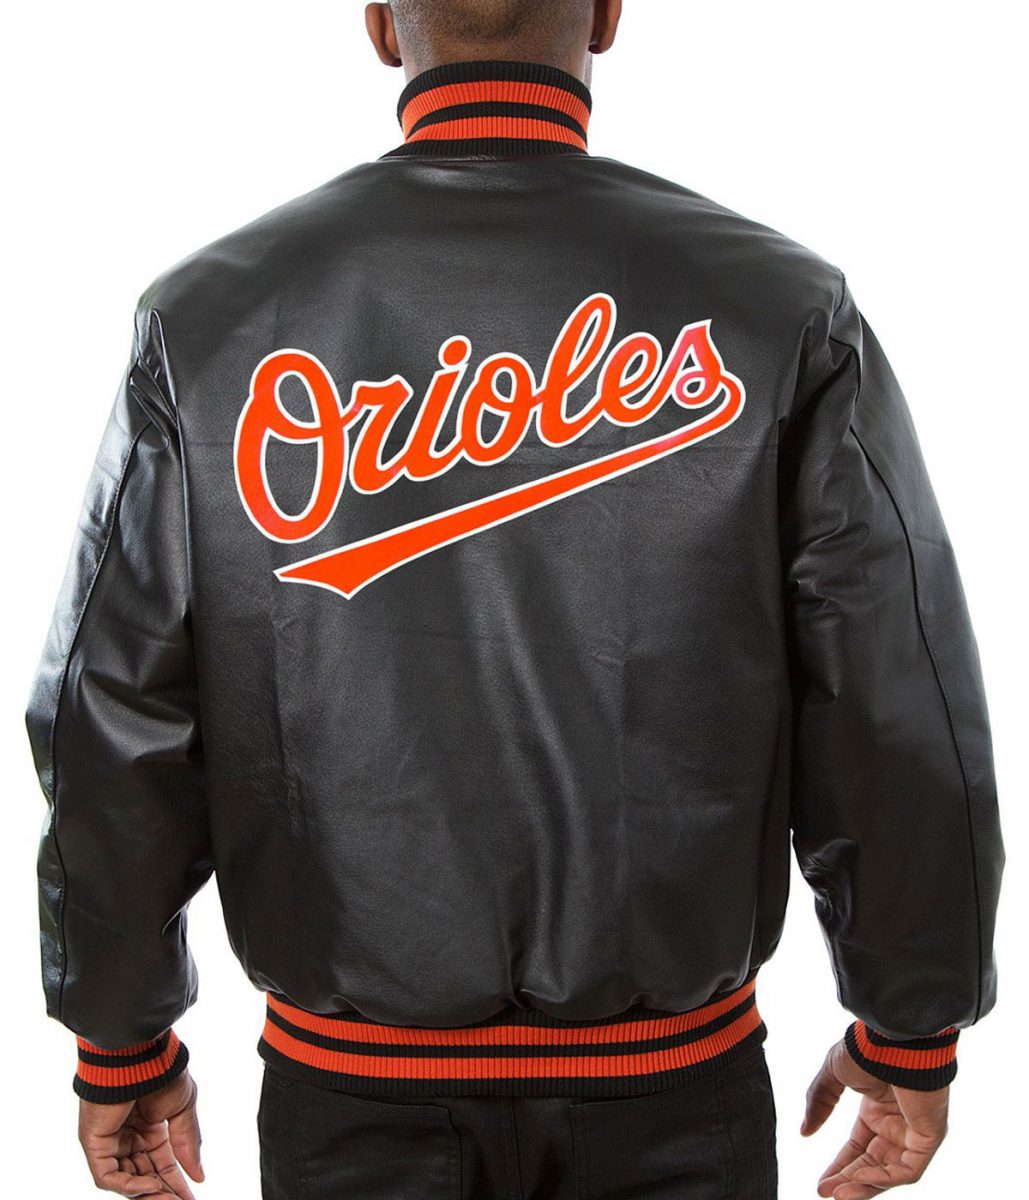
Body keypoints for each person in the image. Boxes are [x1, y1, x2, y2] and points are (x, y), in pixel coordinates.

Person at [24, 1, 1005, 1197]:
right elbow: (892, 694)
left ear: (382, 27)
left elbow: (113, 709)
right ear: (607, 16)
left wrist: (120, 1037)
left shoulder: (205, 321)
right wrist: (910, 1021)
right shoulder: (781, 307)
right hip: (674, 1099)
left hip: (352, 1108)